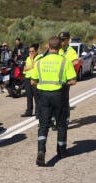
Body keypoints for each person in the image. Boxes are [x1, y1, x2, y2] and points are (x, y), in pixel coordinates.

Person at [31, 36, 76, 166]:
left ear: (48, 46)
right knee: (61, 124)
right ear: (60, 47)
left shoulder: (40, 61)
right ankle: (61, 151)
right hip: (59, 95)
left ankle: (41, 151)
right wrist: (63, 83)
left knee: (43, 125)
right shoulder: (65, 61)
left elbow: (33, 81)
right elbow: (73, 80)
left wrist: (43, 86)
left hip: (43, 96)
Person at [58, 31, 79, 126]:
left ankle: (65, 118)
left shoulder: (71, 50)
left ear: (67, 40)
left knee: (64, 99)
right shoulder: (58, 49)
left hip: (66, 79)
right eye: (60, 40)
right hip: (55, 78)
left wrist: (66, 65)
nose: (61, 42)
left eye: (63, 40)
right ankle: (55, 117)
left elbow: (76, 62)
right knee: (56, 99)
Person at [21, 43, 41, 118]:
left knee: (36, 96)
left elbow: (34, 66)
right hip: (27, 78)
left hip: (35, 78)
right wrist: (30, 66)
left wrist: (32, 60)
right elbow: (24, 68)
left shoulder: (39, 57)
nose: (31, 53)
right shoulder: (28, 58)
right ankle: (29, 111)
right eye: (30, 51)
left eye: (32, 51)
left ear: (36, 51)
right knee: (29, 96)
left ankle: (38, 112)